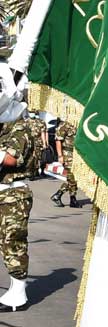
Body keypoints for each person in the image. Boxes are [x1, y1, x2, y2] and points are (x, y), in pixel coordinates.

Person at [0, 115, 41, 312]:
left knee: (12, 242)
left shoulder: (20, 127)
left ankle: (18, 294)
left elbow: (10, 159)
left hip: (13, 195)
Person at [50, 118, 79, 208]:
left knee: (74, 178)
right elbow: (58, 140)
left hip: (78, 155)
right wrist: (60, 156)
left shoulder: (79, 123)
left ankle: (70, 198)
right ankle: (65, 197)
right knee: (72, 177)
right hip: (68, 154)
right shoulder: (64, 125)